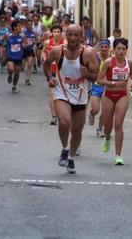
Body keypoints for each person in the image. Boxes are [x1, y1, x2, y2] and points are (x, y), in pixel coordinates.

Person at [43, 24, 98, 174]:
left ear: (82, 37)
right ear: (66, 35)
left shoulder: (88, 53)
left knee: (77, 130)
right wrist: (49, 77)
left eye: (76, 35)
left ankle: (71, 158)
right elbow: (46, 64)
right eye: (70, 35)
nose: (73, 38)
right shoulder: (57, 51)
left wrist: (87, 74)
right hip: (62, 93)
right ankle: (65, 148)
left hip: (80, 96)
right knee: (65, 121)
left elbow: (95, 76)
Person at [97, 38, 132, 165]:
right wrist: (114, 82)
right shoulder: (108, 62)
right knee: (108, 128)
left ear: (126, 50)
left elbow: (131, 74)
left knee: (118, 124)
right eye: (118, 49)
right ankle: (107, 138)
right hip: (109, 95)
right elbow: (99, 80)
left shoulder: (129, 62)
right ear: (113, 50)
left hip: (122, 95)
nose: (121, 51)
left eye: (123, 49)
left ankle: (118, 155)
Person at [42, 24, 67, 125]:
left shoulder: (65, 43)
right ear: (51, 33)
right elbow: (43, 52)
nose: (56, 34)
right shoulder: (48, 42)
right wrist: (45, 60)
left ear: (61, 33)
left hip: (61, 71)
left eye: (58, 32)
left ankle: (63, 114)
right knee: (52, 94)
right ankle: (53, 116)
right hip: (51, 70)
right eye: (54, 32)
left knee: (63, 94)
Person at [88, 39, 112, 138]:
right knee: (95, 109)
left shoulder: (112, 58)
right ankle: (92, 113)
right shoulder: (95, 56)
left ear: (109, 48)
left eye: (106, 47)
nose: (104, 49)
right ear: (99, 47)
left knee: (105, 110)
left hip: (107, 86)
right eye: (102, 47)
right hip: (96, 85)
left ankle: (100, 128)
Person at [0, 20, 29, 93]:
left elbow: (26, 44)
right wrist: (3, 48)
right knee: (11, 70)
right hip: (10, 56)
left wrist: (25, 45)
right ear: (14, 27)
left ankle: (14, 86)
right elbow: (2, 41)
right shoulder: (8, 35)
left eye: (21, 26)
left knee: (17, 73)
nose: (20, 27)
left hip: (19, 57)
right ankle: (10, 74)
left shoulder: (22, 36)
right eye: (19, 26)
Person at [21, 19, 38, 85]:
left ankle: (27, 78)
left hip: (30, 50)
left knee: (30, 64)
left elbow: (36, 40)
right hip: (23, 50)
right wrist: (23, 44)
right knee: (22, 65)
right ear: (26, 25)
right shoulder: (23, 31)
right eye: (28, 25)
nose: (29, 26)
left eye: (30, 24)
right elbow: (20, 39)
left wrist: (35, 45)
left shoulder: (34, 32)